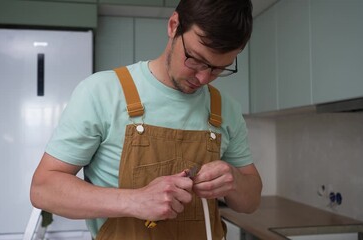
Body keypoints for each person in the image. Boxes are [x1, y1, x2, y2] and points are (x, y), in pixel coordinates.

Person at [30, 0, 262, 239]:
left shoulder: (226, 109)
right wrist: (134, 201)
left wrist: (234, 181)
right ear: (173, 26)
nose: (203, 78)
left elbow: (251, 201)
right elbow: (43, 189)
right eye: (196, 60)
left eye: (217, 69)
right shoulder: (102, 92)